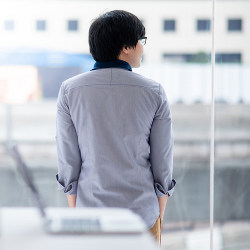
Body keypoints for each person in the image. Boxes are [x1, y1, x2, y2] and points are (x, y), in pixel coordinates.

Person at [55, 9, 176, 247]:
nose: (143, 47)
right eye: (141, 41)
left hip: (90, 218)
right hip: (142, 215)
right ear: (125, 47)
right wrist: (159, 216)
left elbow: (68, 159)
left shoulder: (69, 90)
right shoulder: (154, 92)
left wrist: (76, 212)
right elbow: (163, 161)